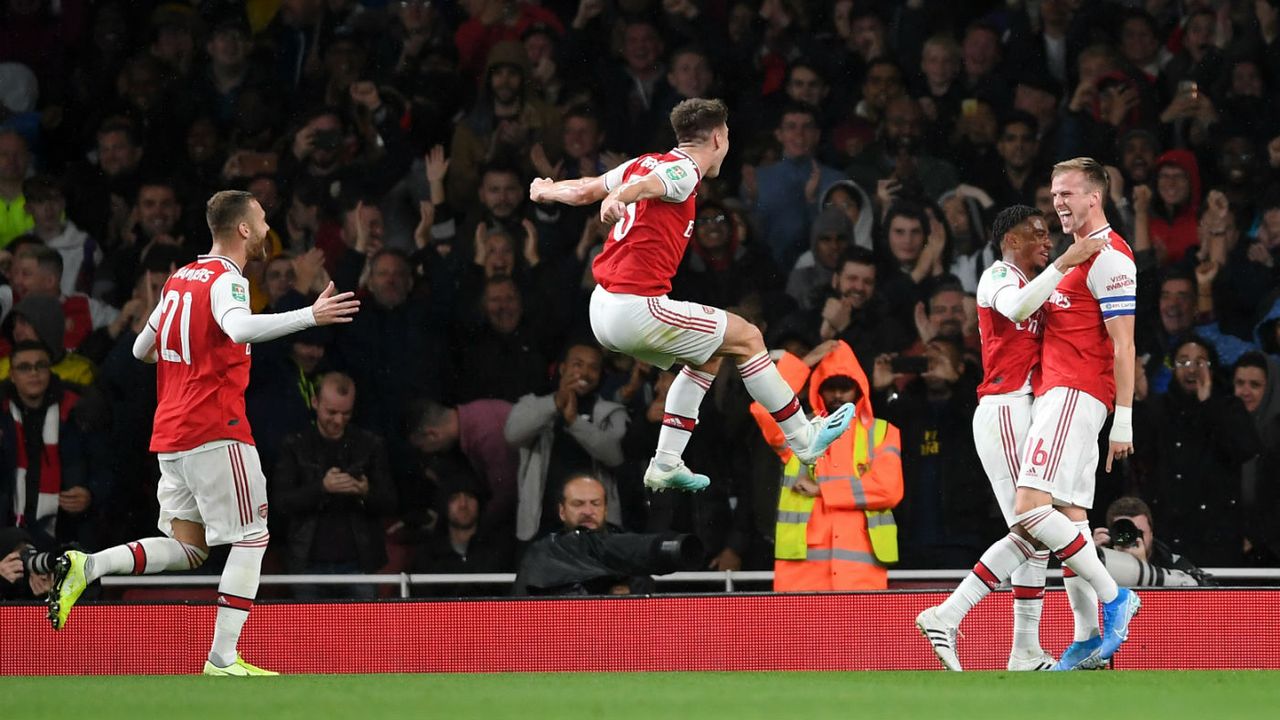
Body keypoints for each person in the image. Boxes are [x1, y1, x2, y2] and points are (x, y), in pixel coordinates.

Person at [46, 190, 360, 676]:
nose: (265, 228)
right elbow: (237, 329)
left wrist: (188, 361)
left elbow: (140, 350)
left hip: (171, 435)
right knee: (253, 537)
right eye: (260, 220)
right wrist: (309, 316)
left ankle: (89, 566)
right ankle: (222, 658)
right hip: (216, 429)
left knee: (191, 548)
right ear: (242, 230)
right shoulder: (227, 280)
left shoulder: (178, 279)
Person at [528, 98, 856, 494]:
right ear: (718, 137)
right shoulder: (684, 170)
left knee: (711, 352)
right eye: (728, 137)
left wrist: (547, 191)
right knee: (748, 336)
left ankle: (666, 462)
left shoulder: (643, 161)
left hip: (604, 307)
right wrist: (622, 197)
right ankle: (803, 436)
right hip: (636, 307)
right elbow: (648, 187)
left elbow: (585, 191)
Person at [915, 205, 1106, 671]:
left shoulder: (1036, 283)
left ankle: (1022, 649)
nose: (1048, 242)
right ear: (1011, 240)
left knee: (1035, 530)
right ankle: (949, 615)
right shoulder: (996, 276)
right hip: (1004, 404)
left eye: (1049, 236)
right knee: (1034, 523)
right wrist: (1065, 261)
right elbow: (1016, 309)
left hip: (1028, 406)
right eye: (1037, 235)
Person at [1007, 158, 1141, 670]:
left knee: (1028, 508)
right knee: (1069, 519)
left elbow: (1124, 345)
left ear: (1095, 198)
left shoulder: (1109, 258)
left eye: (1068, 193)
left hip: (1075, 394)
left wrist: (1123, 420)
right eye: (1054, 192)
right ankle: (1088, 639)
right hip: (1062, 395)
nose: (1058, 202)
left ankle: (1115, 598)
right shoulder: (1075, 255)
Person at [750, 340, 903, 591]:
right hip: (802, 570)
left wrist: (822, 489)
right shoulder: (799, 428)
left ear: (859, 388)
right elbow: (763, 408)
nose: (838, 395)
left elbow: (889, 490)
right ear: (818, 388)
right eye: (829, 387)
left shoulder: (882, 432)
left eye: (845, 387)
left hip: (860, 570)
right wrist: (804, 363)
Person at [271, 372, 396, 600]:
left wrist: (365, 492)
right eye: (332, 412)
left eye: (346, 413)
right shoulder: (295, 445)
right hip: (308, 563)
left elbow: (389, 501)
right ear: (315, 402)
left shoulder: (370, 445)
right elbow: (281, 502)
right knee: (309, 634)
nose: (338, 420)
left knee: (364, 633)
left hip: (359, 564)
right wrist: (321, 488)